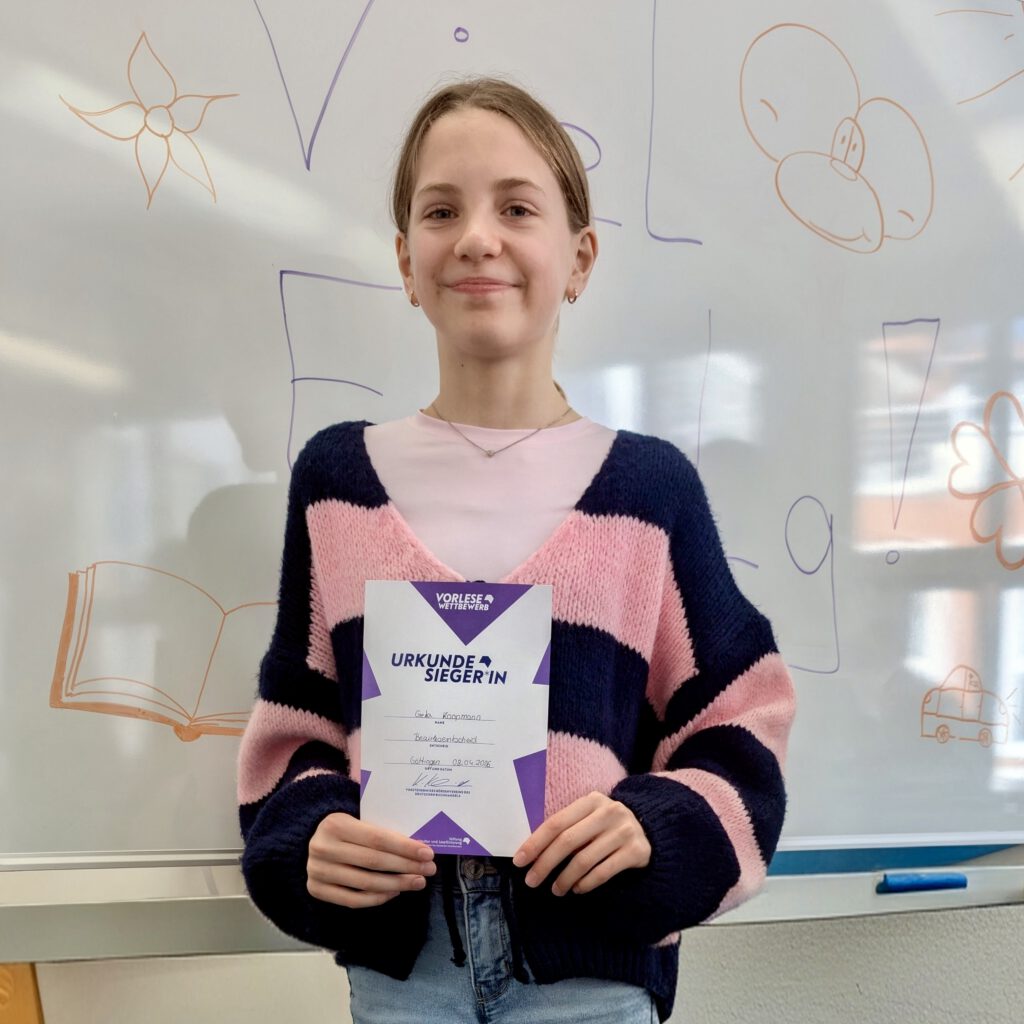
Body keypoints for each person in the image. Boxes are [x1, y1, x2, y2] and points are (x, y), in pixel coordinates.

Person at [237, 77, 796, 1024]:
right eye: (440, 211)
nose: (476, 238)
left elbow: (741, 719)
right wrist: (308, 835)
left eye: (517, 208)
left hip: (590, 978)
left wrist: (654, 828)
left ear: (579, 257)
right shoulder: (336, 485)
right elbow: (296, 729)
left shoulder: (650, 493)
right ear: (407, 261)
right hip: (403, 977)